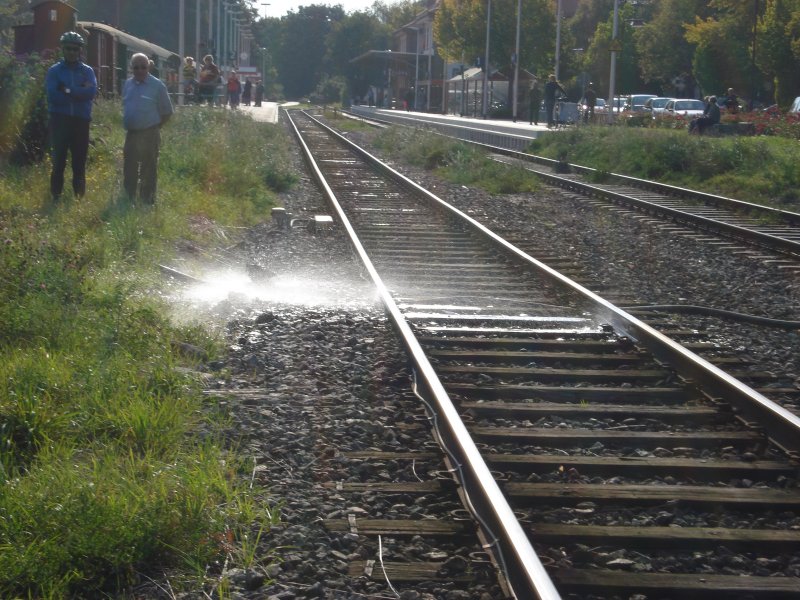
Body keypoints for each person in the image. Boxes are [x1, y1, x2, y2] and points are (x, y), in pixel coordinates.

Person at [45, 31, 97, 203]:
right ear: (63, 49)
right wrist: (77, 92)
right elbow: (53, 96)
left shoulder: (88, 72)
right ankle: (55, 196)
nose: (72, 52)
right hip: (60, 120)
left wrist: (66, 89)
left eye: (75, 49)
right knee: (58, 161)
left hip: (81, 121)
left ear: (80, 51)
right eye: (68, 48)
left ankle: (79, 199)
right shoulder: (54, 71)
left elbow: (90, 92)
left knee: (79, 162)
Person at [122, 53, 174, 205]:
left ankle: (147, 201)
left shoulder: (157, 85)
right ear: (131, 68)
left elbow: (167, 111)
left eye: (143, 67)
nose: (139, 70)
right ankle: (129, 198)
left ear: (148, 67)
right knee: (129, 167)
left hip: (149, 133)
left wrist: (155, 127)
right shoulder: (127, 84)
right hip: (131, 134)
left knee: (148, 168)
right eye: (136, 67)